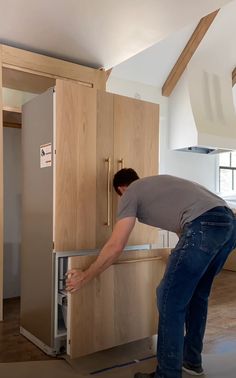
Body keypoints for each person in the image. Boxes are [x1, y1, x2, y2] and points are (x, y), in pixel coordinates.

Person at [66, 168, 236, 378]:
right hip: (229, 224)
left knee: (169, 299)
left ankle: (167, 374)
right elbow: (185, 228)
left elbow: (116, 246)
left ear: (121, 188)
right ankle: (192, 361)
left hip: (204, 225)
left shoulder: (131, 192)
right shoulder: (160, 184)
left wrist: (85, 275)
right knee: (197, 296)